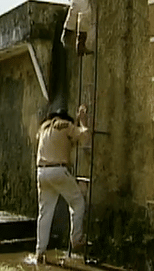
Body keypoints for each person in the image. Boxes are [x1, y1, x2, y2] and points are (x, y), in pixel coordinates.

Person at [34, 105, 91, 263]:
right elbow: (84, 135)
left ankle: (40, 252)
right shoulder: (65, 126)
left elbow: (63, 144)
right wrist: (83, 122)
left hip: (41, 172)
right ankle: (76, 238)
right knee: (77, 202)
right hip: (58, 171)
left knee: (45, 214)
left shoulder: (44, 129)